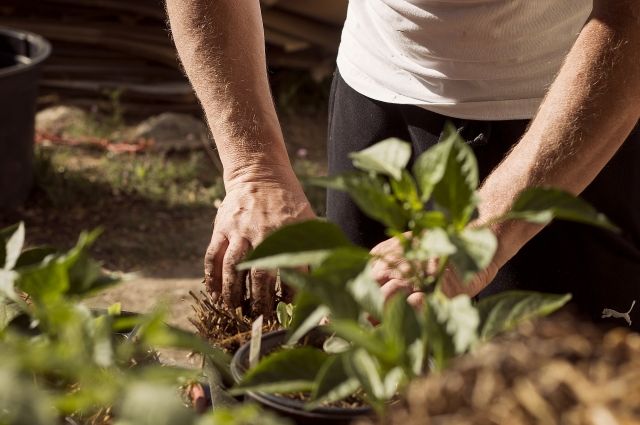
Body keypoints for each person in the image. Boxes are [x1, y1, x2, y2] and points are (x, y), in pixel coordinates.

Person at [166, 1, 640, 327]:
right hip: (375, 95)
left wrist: (481, 231)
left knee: (545, 394)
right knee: (361, 368)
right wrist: (255, 169)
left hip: (568, 117)